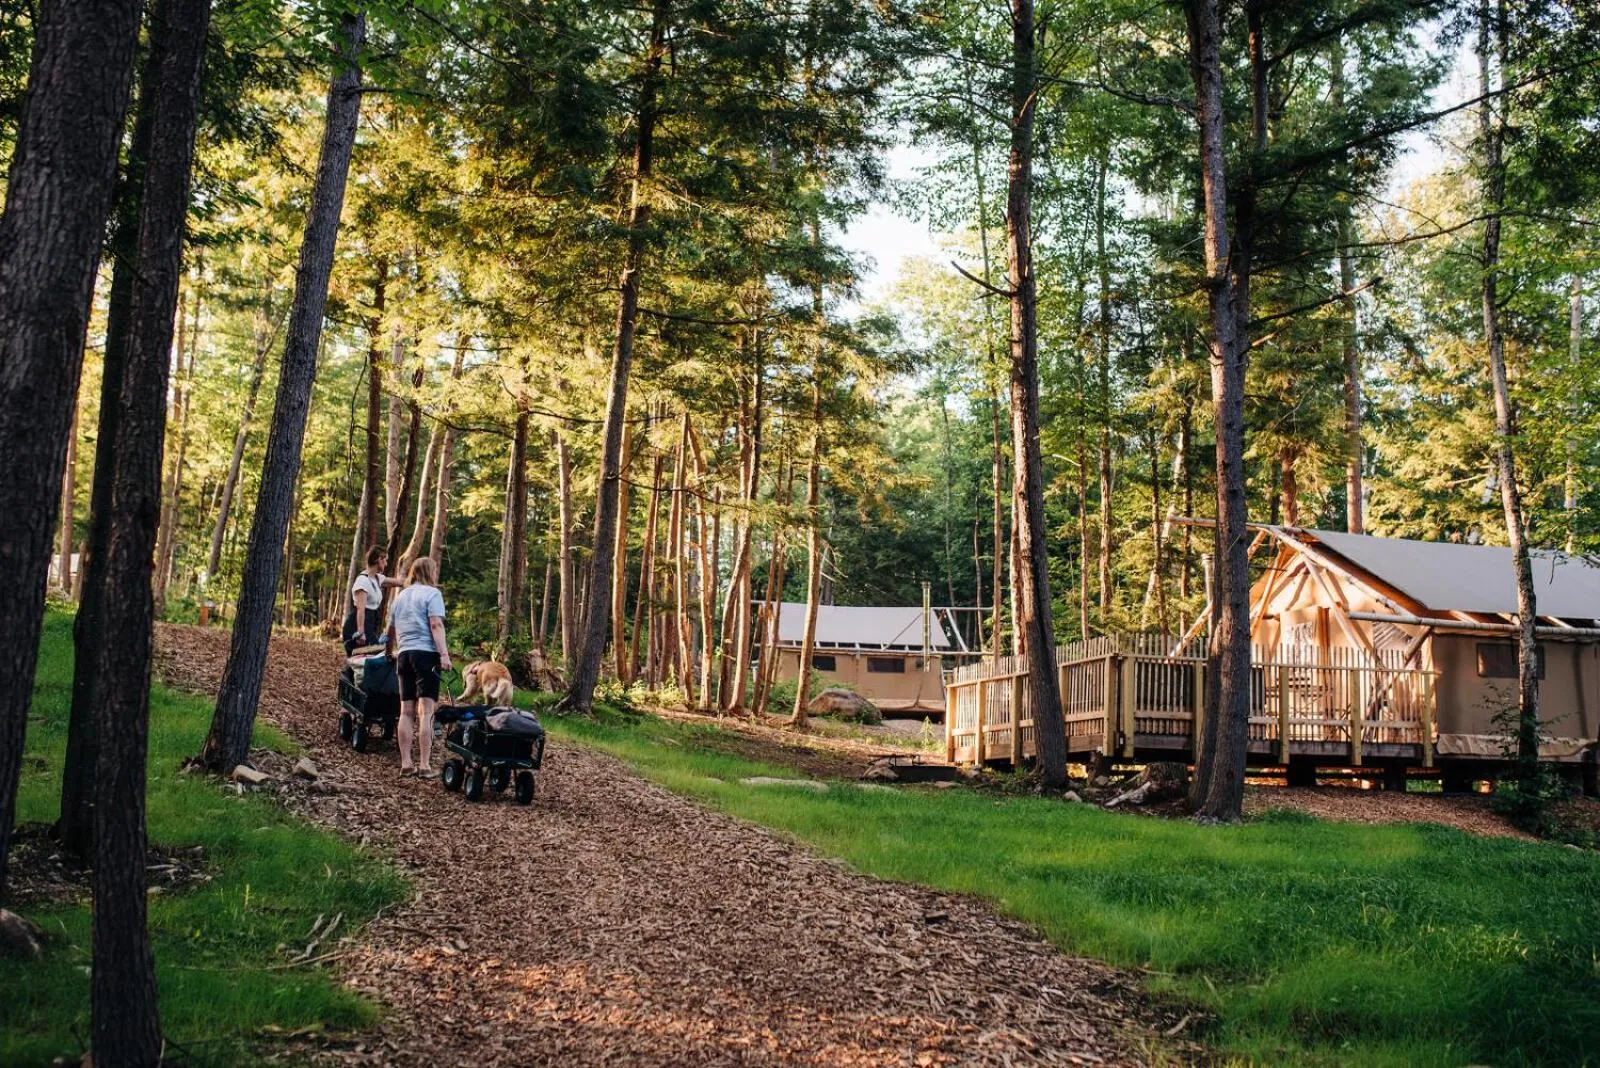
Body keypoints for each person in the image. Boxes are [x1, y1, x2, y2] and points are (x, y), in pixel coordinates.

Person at [385, 555, 452, 777]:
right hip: (426, 655)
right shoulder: (433, 594)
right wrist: (444, 654)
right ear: (429, 572)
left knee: (406, 712)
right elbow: (435, 624)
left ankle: (406, 763)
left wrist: (389, 653)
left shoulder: (400, 596)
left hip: (404, 655)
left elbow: (390, 631)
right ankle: (424, 765)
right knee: (426, 712)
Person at [343, 546, 401, 655]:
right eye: (385, 560)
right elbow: (361, 609)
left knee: (369, 658)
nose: (386, 564)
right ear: (378, 560)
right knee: (361, 660)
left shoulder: (377, 578)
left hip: (370, 623)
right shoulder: (362, 581)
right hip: (358, 625)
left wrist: (417, 581)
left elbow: (399, 582)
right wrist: (361, 632)